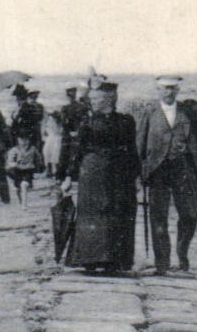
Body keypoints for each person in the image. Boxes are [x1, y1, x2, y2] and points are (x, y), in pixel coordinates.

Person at [135, 75, 197, 275]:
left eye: (172, 88)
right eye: (164, 88)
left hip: (185, 169)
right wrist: (138, 172)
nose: (168, 92)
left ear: (177, 91)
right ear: (158, 90)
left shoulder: (189, 112)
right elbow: (139, 145)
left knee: (189, 215)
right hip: (157, 171)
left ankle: (182, 258)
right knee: (158, 216)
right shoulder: (149, 112)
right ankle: (162, 263)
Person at [58, 81, 139, 274]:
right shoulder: (87, 122)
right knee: (92, 214)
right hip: (93, 173)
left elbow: (132, 150)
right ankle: (90, 259)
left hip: (119, 173)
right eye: (92, 98)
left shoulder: (125, 121)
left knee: (117, 213)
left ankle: (115, 260)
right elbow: (77, 150)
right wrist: (69, 176)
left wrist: (136, 176)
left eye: (97, 98)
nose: (92, 102)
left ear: (110, 99)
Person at [55, 85, 90, 180]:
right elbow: (84, 121)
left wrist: (74, 131)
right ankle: (70, 174)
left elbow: (63, 122)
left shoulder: (67, 108)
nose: (71, 97)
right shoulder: (80, 107)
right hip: (73, 134)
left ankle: (63, 175)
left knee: (67, 154)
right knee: (71, 154)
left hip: (70, 134)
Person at [11, 85, 47, 174]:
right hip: (33, 130)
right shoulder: (34, 106)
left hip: (26, 131)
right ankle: (36, 167)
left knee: (28, 149)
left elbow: (18, 119)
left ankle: (31, 168)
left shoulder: (25, 106)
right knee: (33, 149)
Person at [6, 133, 41, 207]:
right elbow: (10, 161)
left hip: (28, 170)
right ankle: (21, 201)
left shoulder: (33, 149)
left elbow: (39, 160)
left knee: (24, 184)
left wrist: (37, 169)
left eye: (26, 139)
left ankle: (24, 204)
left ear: (29, 140)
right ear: (18, 140)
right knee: (18, 187)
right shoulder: (14, 150)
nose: (24, 142)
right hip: (17, 170)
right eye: (21, 140)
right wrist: (14, 164)